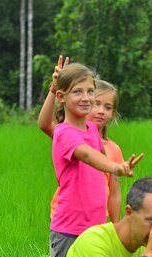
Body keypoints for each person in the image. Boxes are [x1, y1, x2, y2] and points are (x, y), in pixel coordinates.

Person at [45, 61, 142, 257]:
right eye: (79, 92)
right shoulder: (64, 132)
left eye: (91, 92)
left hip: (95, 225)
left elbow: (102, 168)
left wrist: (114, 225)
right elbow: (88, 156)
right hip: (70, 228)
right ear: (62, 97)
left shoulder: (90, 131)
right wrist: (116, 168)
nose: (89, 99)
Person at [38, 55, 138, 224]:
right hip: (70, 220)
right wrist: (54, 88)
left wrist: (114, 227)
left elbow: (114, 193)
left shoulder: (113, 148)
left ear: (113, 113)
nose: (100, 111)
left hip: (96, 219)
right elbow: (45, 124)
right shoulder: (67, 134)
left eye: (108, 107)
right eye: (97, 103)